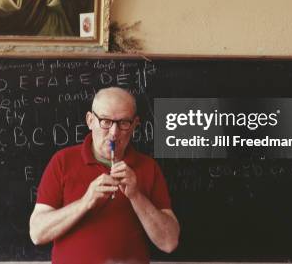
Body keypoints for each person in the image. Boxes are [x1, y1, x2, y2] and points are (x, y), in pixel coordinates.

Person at [29, 87, 180, 264]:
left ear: (135, 124)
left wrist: (136, 196)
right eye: (106, 121)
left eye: (124, 122)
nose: (114, 133)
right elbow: (37, 234)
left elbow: (169, 242)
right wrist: (86, 202)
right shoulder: (62, 161)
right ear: (90, 120)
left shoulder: (148, 167)